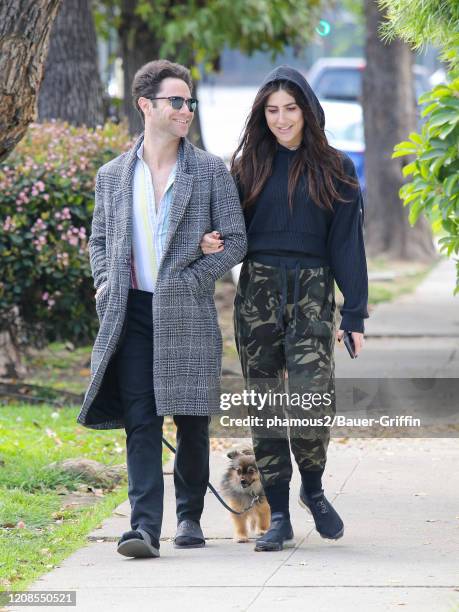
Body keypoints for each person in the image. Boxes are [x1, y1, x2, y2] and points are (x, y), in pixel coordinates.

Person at [77, 59, 247, 558]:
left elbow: (235, 240)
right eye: (176, 101)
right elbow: (99, 238)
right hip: (129, 314)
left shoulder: (210, 170)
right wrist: (107, 284)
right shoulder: (112, 176)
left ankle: (189, 518)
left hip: (188, 312)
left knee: (192, 418)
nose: (186, 109)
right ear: (146, 105)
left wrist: (192, 277)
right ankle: (144, 527)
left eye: (190, 101)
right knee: (141, 419)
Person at [200, 65, 368, 552]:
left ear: (308, 111)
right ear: (262, 114)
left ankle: (311, 489)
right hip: (258, 291)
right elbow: (228, 232)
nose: (281, 119)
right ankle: (277, 515)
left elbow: (348, 245)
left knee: (312, 400)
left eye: (290, 109)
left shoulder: (337, 168)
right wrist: (210, 241)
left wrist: (354, 314)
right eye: (272, 110)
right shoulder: (246, 166)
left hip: (314, 290)